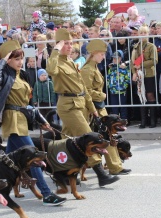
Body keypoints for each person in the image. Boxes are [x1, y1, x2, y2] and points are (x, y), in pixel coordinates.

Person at [0, 40, 66, 206]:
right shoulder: (5, 76)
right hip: (13, 120)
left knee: (6, 161)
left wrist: (42, 121)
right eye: (16, 58)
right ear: (8, 60)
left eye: (21, 58)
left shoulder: (20, 75)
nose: (20, 62)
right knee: (34, 158)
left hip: (23, 118)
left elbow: (28, 105)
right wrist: (3, 59)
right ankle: (46, 194)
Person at [46, 28, 119, 186]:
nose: (70, 46)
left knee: (65, 141)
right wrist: (56, 49)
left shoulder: (71, 62)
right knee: (88, 137)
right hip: (68, 105)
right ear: (58, 45)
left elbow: (82, 88)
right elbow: (51, 70)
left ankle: (63, 172)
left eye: (71, 43)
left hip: (79, 103)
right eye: (66, 44)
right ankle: (101, 174)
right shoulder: (56, 60)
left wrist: (91, 107)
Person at [81, 40, 131, 176]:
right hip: (92, 108)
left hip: (99, 107)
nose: (104, 57)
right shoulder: (87, 70)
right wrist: (101, 95)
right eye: (101, 54)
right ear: (93, 54)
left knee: (108, 137)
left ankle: (115, 166)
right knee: (96, 139)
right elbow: (85, 91)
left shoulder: (95, 67)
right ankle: (98, 167)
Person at [131, 25, 158, 129]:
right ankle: (143, 121)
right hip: (139, 74)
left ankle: (153, 120)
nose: (143, 35)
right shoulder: (135, 47)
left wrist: (141, 65)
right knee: (141, 95)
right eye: (141, 33)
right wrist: (134, 72)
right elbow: (132, 61)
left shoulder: (151, 46)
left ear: (148, 34)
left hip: (149, 73)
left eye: (145, 33)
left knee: (150, 95)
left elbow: (154, 60)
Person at [107, 50, 130, 120]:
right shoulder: (111, 68)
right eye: (113, 58)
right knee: (114, 107)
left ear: (121, 59)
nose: (114, 60)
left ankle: (123, 120)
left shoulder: (124, 68)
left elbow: (128, 78)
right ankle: (116, 121)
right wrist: (110, 86)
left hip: (122, 91)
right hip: (113, 91)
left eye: (117, 58)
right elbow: (108, 78)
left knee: (123, 107)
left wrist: (124, 86)